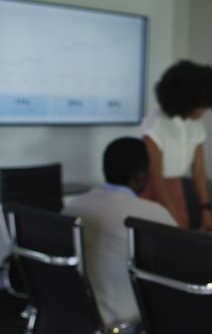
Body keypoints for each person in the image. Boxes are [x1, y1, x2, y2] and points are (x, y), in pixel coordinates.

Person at [63, 137, 176, 326]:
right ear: (139, 177)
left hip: (72, 314)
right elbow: (186, 266)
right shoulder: (152, 214)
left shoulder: (72, 207)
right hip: (124, 318)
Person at [141, 60, 212, 231]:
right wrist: (173, 216)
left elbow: (199, 171)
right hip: (154, 191)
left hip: (176, 188)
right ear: (187, 100)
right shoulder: (155, 124)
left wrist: (206, 211)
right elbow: (155, 176)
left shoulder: (195, 124)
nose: (204, 111)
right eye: (201, 106)